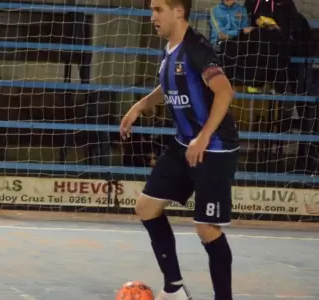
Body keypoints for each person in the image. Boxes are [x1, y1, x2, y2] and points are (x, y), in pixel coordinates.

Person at [119, 0, 239, 299]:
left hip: (214, 147)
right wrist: (140, 105)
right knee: (146, 207)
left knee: (206, 228)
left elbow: (225, 91)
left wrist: (204, 136)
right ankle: (174, 289)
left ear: (178, 11)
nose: (152, 17)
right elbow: (168, 85)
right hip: (184, 143)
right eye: (152, 10)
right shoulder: (170, 49)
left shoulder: (197, 48)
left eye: (158, 9)